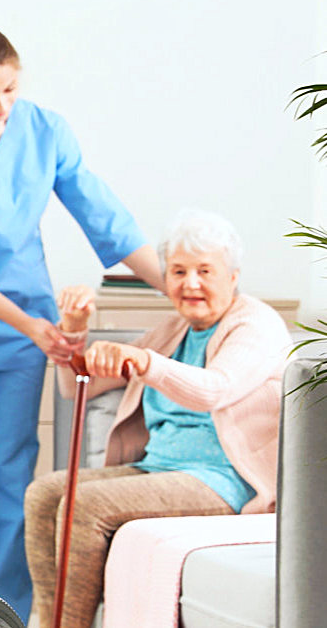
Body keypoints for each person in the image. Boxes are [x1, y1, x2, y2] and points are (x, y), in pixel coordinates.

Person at [0, 25, 165, 616]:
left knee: (11, 479)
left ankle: (9, 613)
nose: (2, 107)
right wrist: (31, 325)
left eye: (11, 90)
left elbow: (103, 215)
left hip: (24, 331)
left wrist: (174, 281)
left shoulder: (45, 130)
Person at [25, 210, 288, 628]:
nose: (191, 283)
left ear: (233, 276)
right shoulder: (172, 330)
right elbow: (77, 385)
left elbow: (213, 389)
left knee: (86, 502)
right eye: (179, 272)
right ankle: (50, 621)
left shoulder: (256, 325)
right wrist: (75, 331)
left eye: (205, 271)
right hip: (160, 469)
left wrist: (145, 362)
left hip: (225, 479)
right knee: (45, 493)